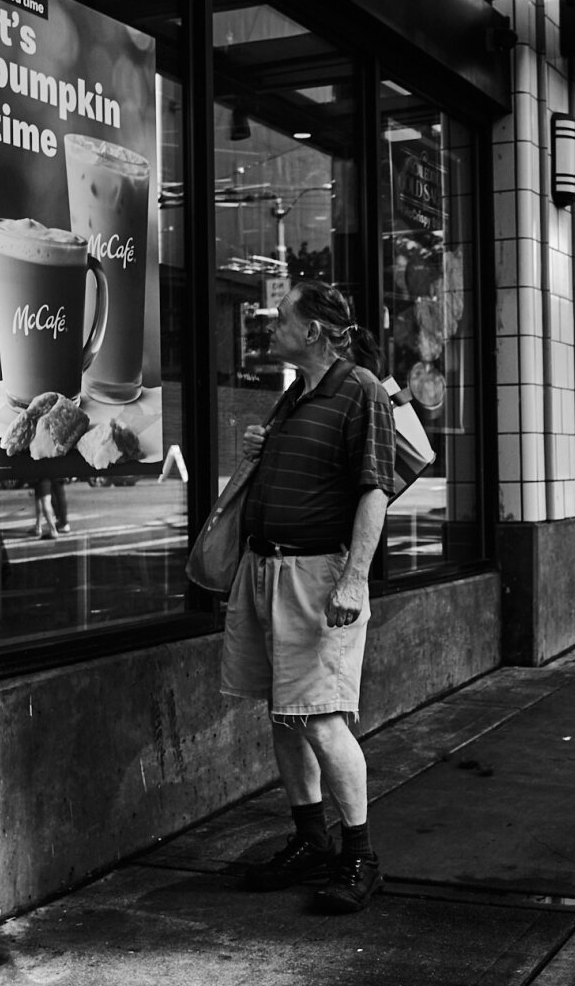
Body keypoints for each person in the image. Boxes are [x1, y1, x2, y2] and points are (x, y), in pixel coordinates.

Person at [222, 280, 398, 914]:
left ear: (314, 332)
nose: (272, 329)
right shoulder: (296, 394)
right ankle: (311, 839)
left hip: (318, 577)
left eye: (281, 320)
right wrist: (256, 455)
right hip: (266, 571)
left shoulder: (360, 390)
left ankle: (360, 856)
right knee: (284, 713)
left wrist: (354, 579)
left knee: (320, 716)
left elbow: (374, 489)